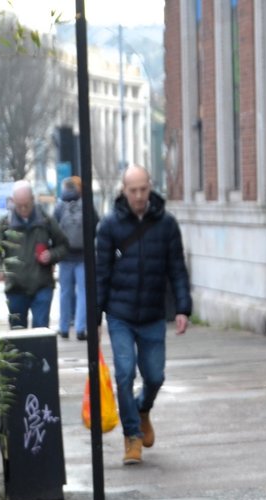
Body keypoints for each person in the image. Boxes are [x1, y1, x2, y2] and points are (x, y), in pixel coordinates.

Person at [94, 165, 192, 466]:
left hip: (151, 313)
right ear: (124, 190)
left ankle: (142, 408)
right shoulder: (109, 226)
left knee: (155, 376)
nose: (138, 196)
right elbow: (101, 273)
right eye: (133, 190)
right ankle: (132, 437)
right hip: (120, 314)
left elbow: (177, 268)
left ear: (150, 187)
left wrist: (182, 308)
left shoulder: (166, 225)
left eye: (143, 189)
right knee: (124, 374)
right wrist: (95, 316)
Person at [0, 180, 69, 330]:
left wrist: (51, 255)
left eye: (26, 204)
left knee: (41, 332)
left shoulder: (46, 220)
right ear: (13, 201)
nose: (22, 209)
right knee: (17, 334)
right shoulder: (5, 223)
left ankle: (41, 354)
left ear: (33, 199)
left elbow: (63, 245)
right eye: (19, 205)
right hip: (15, 287)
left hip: (42, 285)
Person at [55, 175, 90, 341]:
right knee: (83, 293)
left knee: (65, 292)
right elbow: (95, 223)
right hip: (83, 256)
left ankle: (63, 327)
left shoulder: (59, 207)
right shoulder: (86, 205)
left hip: (65, 256)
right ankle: (81, 328)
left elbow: (53, 229)